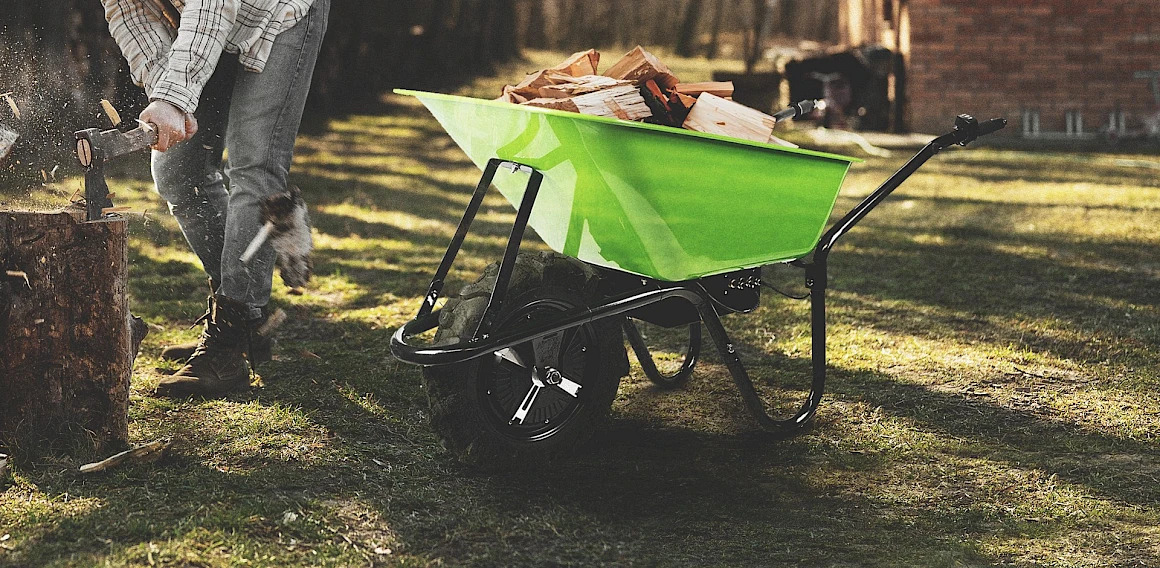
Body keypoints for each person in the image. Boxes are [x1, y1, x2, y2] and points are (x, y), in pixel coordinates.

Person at [101, 0, 329, 397]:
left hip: (279, 13)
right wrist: (165, 91)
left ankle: (226, 346)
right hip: (213, 29)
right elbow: (129, 12)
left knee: (254, 166)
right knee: (177, 171)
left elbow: (212, 5)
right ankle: (248, 325)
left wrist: (176, 97)